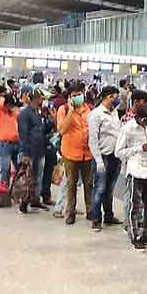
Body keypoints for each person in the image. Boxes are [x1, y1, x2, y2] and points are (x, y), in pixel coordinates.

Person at [115, 103, 147, 251]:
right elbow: (118, 152)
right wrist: (139, 149)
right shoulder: (128, 129)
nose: (146, 124)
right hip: (135, 171)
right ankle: (135, 235)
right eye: (144, 121)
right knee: (135, 207)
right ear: (137, 118)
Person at [86, 86, 123, 232]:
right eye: (115, 97)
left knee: (109, 189)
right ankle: (96, 218)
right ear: (108, 97)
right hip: (102, 157)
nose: (117, 100)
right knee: (100, 188)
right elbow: (93, 139)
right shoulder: (96, 114)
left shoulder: (114, 113)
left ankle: (109, 215)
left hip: (115, 156)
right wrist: (98, 160)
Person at [57, 82, 94, 225]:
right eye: (74, 96)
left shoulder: (88, 110)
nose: (78, 97)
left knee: (89, 183)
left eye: (79, 94)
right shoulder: (63, 110)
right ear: (69, 98)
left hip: (87, 153)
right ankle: (70, 212)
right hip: (70, 154)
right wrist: (71, 111)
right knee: (71, 184)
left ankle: (90, 211)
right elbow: (62, 130)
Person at [17, 86, 50, 213]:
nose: (43, 100)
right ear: (36, 98)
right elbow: (23, 134)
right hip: (29, 152)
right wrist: (25, 153)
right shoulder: (24, 114)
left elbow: (41, 130)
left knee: (38, 178)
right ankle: (24, 202)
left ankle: (35, 200)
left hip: (40, 150)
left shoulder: (39, 112)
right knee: (27, 179)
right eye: (42, 98)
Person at [0, 92, 20, 184]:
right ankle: (4, 190)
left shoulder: (13, 113)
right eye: (10, 105)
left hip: (16, 143)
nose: (11, 107)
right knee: (5, 169)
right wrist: (3, 97)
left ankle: (16, 190)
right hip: (4, 144)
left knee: (19, 169)